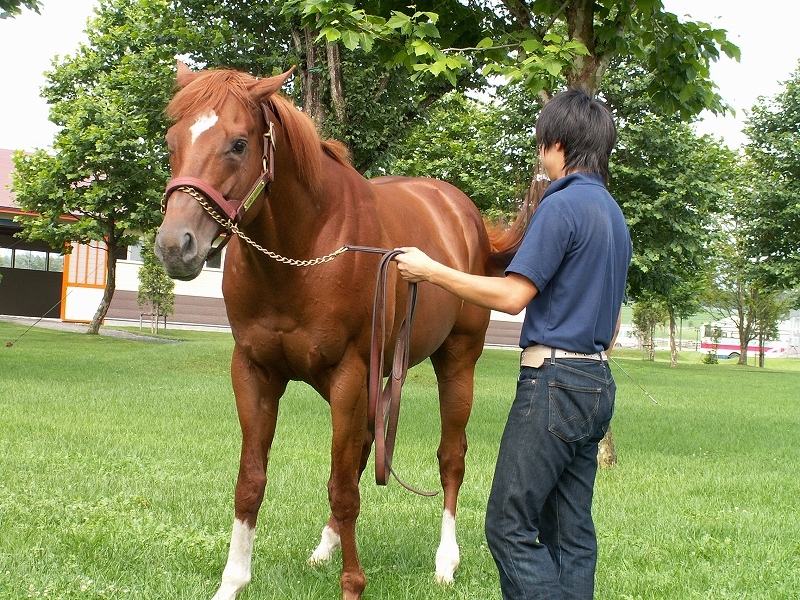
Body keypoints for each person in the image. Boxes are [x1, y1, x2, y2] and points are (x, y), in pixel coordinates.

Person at [394, 88, 632, 599]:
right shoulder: (613, 214)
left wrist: (433, 270)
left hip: (554, 385)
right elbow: (609, 323)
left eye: (542, 143)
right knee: (571, 533)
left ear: (558, 145)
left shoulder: (561, 203)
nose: (540, 155)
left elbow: (511, 296)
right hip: (596, 383)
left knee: (507, 526)